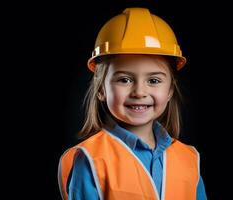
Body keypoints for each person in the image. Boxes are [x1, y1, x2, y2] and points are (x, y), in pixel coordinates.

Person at [58, 7, 207, 200]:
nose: (139, 92)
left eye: (153, 80)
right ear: (101, 89)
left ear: (170, 90)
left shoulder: (189, 159)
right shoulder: (90, 160)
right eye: (124, 80)